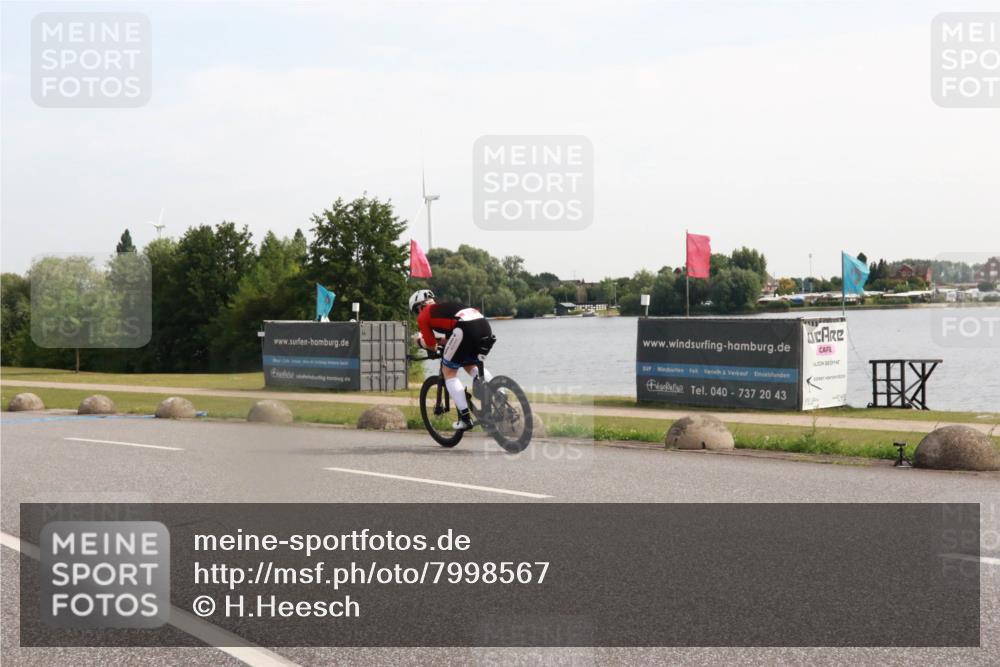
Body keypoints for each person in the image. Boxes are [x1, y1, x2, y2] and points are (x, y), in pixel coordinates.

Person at [409, 289, 494, 431]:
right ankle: (498, 393)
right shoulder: (444, 309)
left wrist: (418, 341)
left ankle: (465, 419)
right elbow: (451, 340)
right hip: (483, 326)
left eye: (416, 311)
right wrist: (437, 341)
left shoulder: (424, 315)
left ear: (419, 306)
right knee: (469, 364)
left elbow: (431, 346)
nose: (417, 314)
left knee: (448, 371)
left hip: (464, 329)